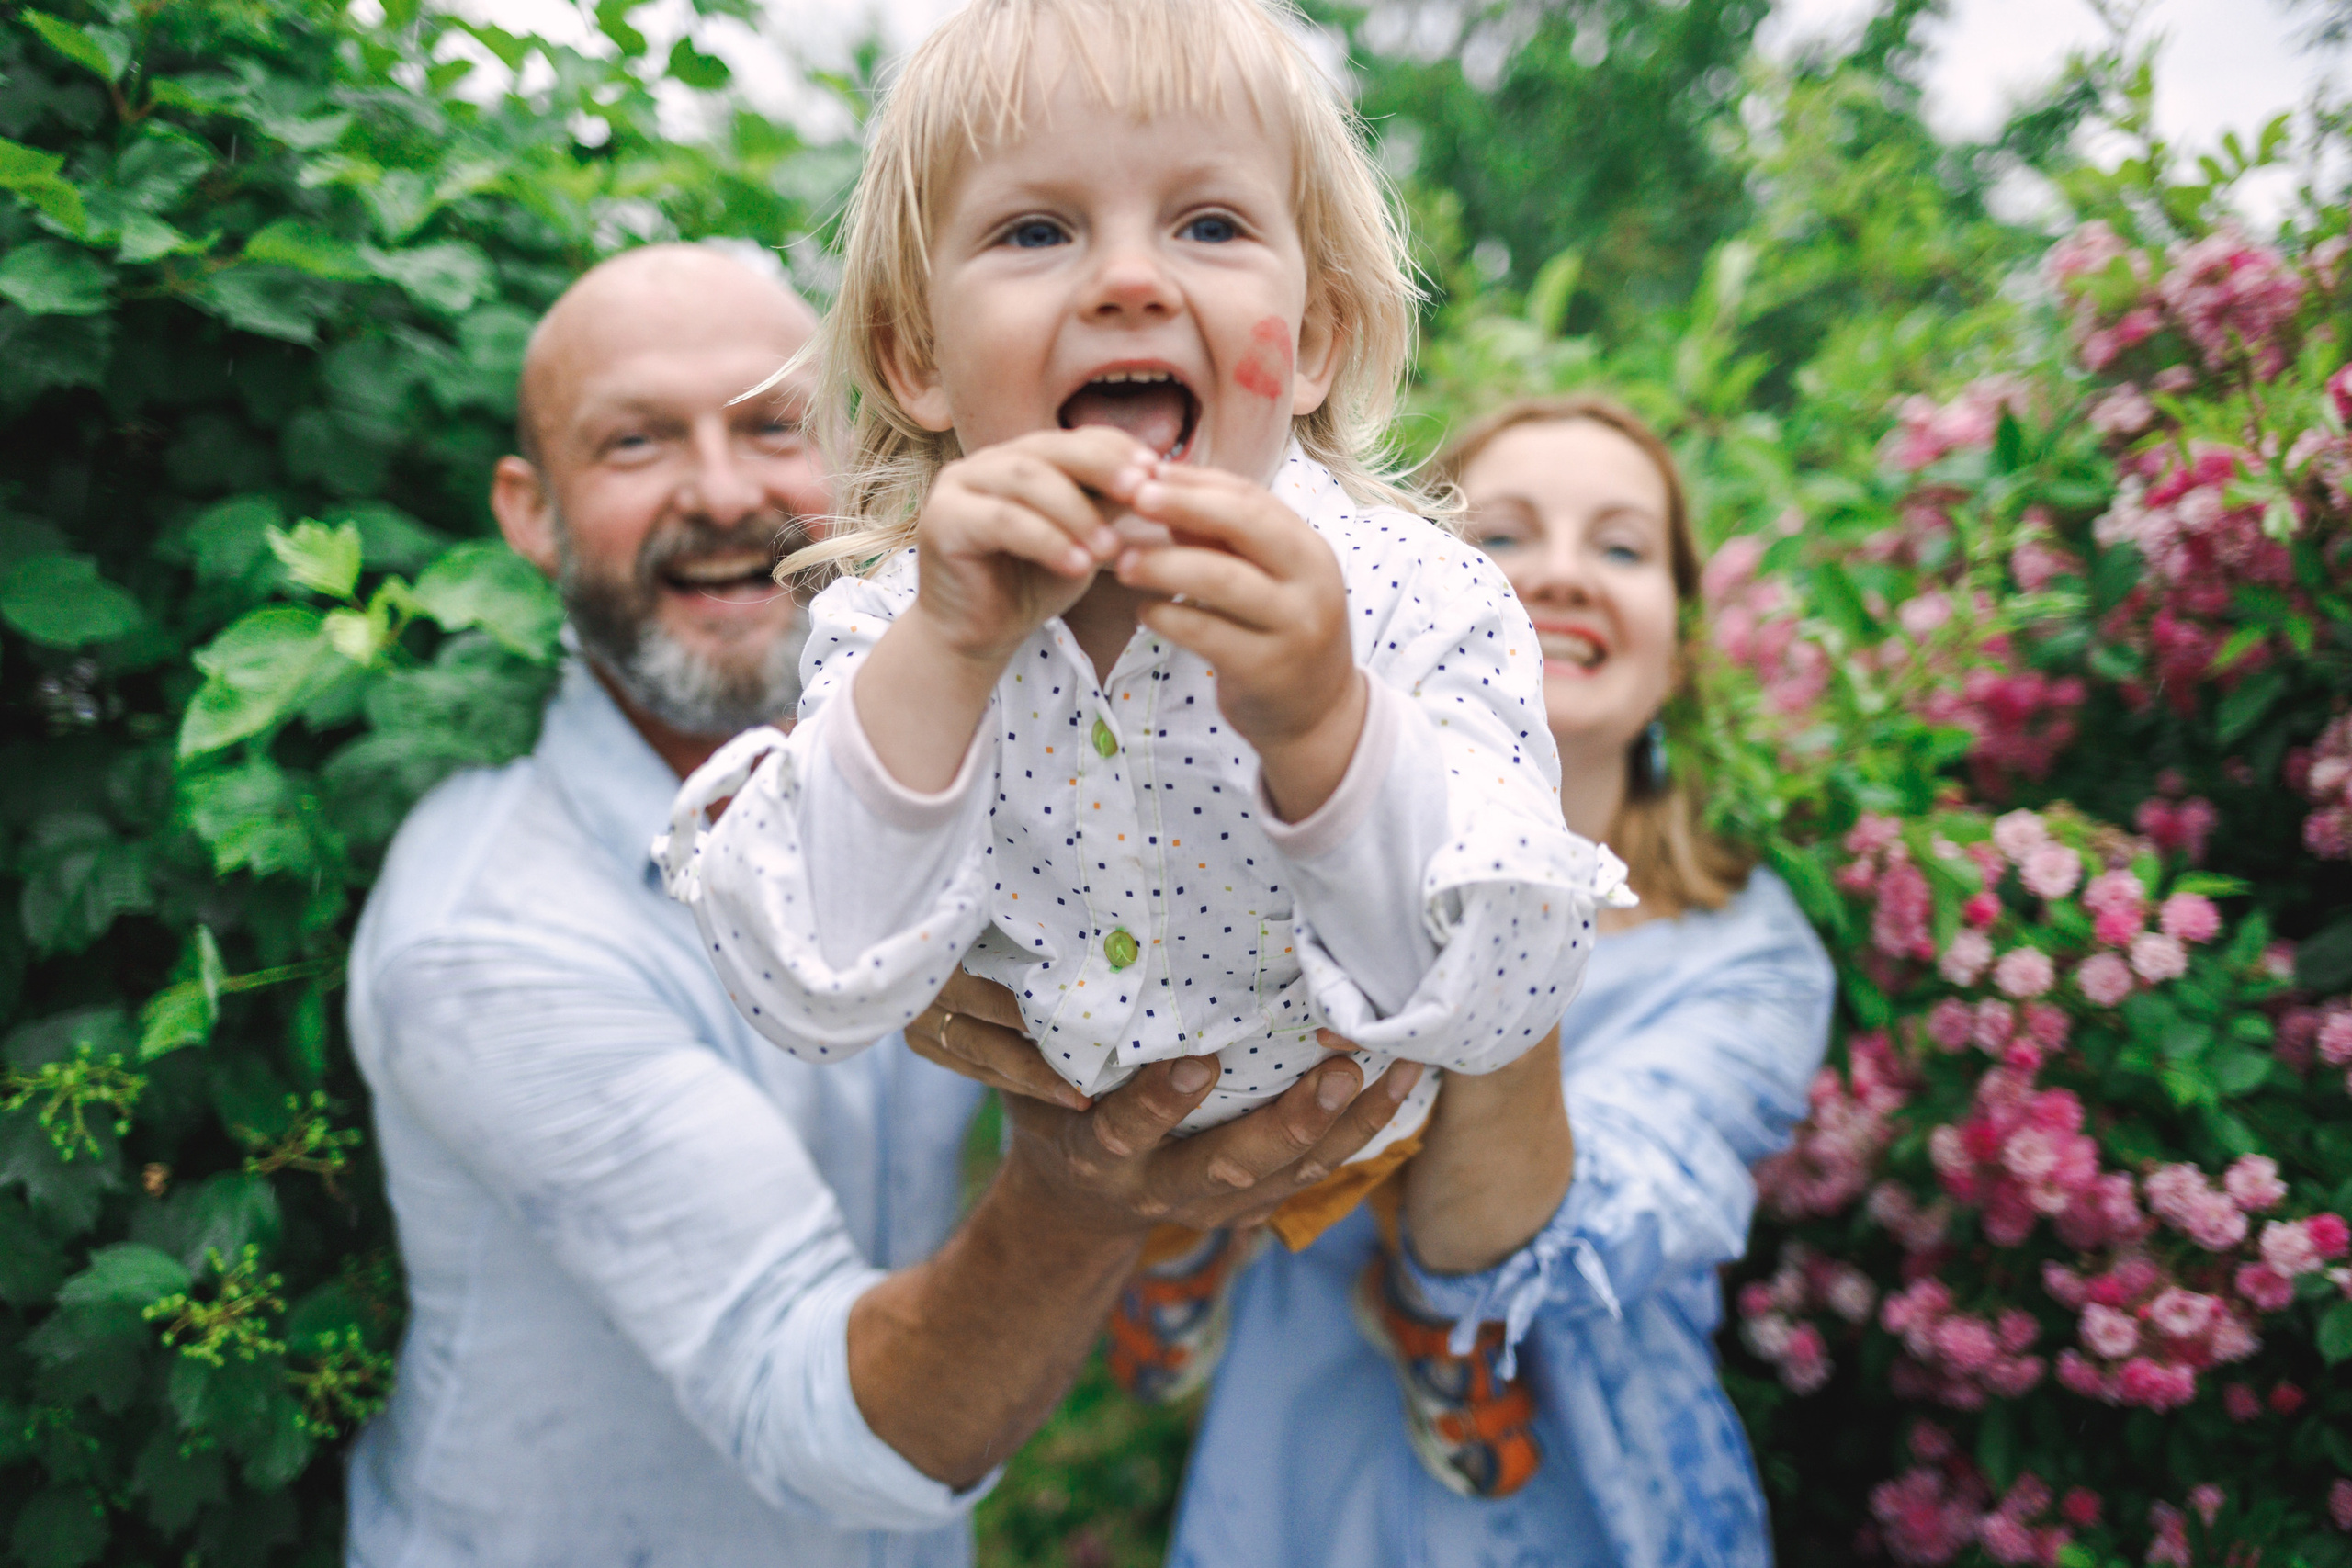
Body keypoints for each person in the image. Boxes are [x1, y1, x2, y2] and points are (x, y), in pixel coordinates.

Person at [343, 242, 1415, 1568]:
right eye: (635, 444)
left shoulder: (991, 754)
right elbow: (819, 1428)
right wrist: (1084, 1200)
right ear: (529, 510)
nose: (725, 492)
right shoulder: (485, 934)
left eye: (774, 426)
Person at [655, 1, 1630, 1455]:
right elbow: (808, 986)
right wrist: (950, 649)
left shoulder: (1418, 598)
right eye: (1036, 231)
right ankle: (1176, 1272)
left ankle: (1442, 1324)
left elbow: (1499, 1000)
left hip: (1382, 1119)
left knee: (1459, 1243)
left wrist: (1324, 725)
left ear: (1315, 345)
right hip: (1107, 1108)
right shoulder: (893, 626)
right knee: (1169, 1226)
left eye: (1212, 225)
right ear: (917, 357)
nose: (1124, 279)